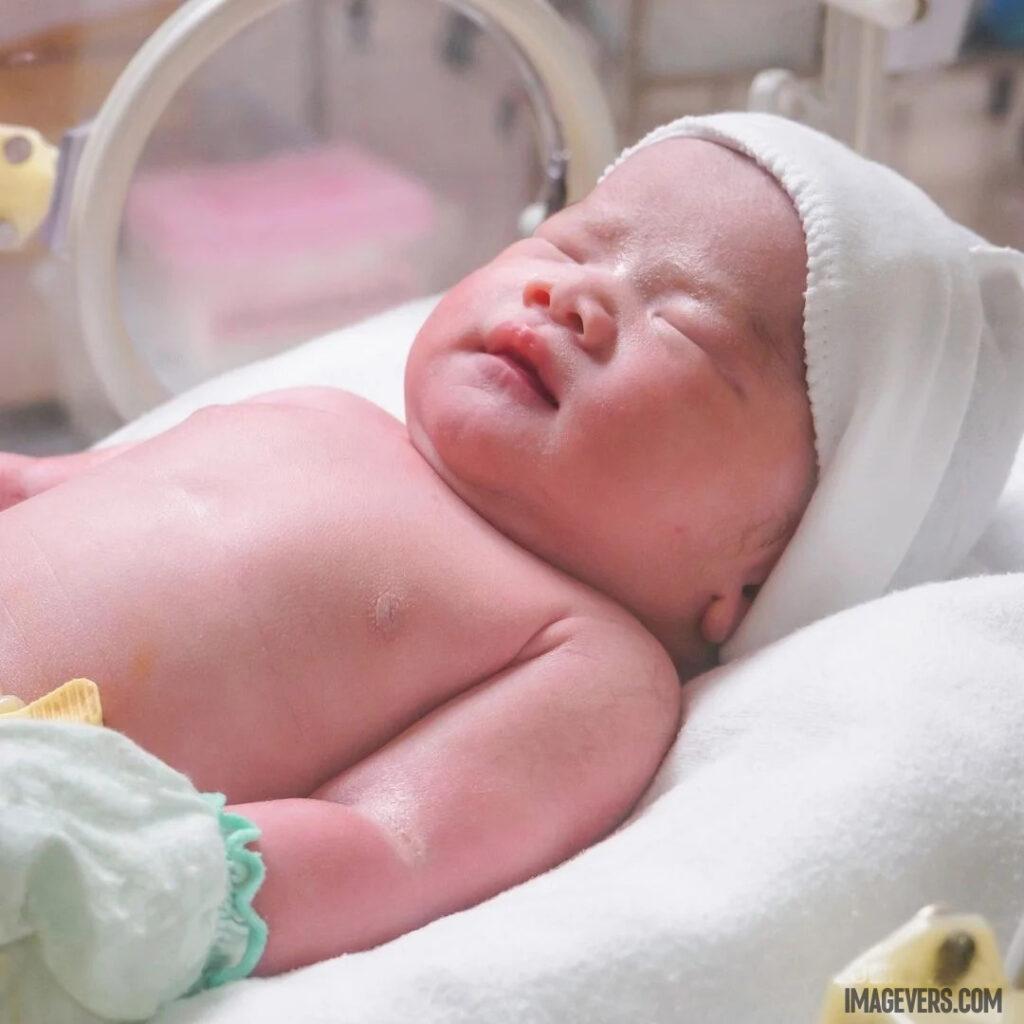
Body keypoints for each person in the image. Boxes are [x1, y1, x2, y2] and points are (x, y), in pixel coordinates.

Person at [1, 113, 1022, 1019]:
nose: (572, 293)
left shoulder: (587, 662)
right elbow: (49, 486)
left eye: (686, 329)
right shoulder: (321, 410)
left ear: (759, 574)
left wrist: (142, 876)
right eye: (571, 240)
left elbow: (388, 846)